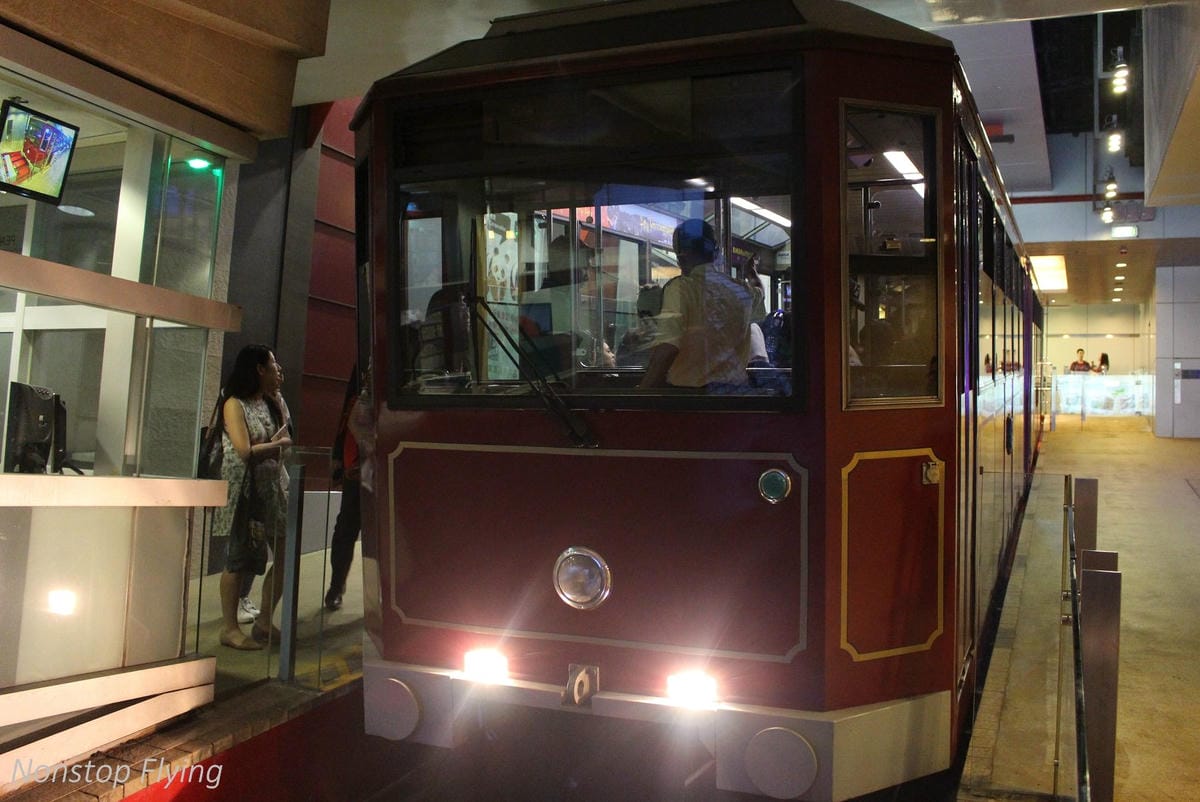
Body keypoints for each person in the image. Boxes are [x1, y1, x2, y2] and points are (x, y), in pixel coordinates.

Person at [214, 344, 293, 650]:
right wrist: (277, 445)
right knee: (237, 559)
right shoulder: (235, 404)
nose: (278, 371)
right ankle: (230, 628)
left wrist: (279, 442)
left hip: (272, 488)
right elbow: (244, 450)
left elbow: (284, 436)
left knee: (285, 554)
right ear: (259, 369)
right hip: (244, 492)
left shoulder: (272, 402)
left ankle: (263, 621)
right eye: (273, 366)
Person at [639, 219, 753, 390]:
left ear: (681, 257)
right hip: (736, 395)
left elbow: (668, 347)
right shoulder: (741, 290)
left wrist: (643, 391)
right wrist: (753, 272)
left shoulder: (681, 288)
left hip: (692, 398)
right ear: (715, 252)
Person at [325, 366, 362, 611]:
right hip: (357, 453)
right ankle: (336, 586)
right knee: (347, 525)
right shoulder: (363, 359)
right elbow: (349, 406)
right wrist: (338, 453)